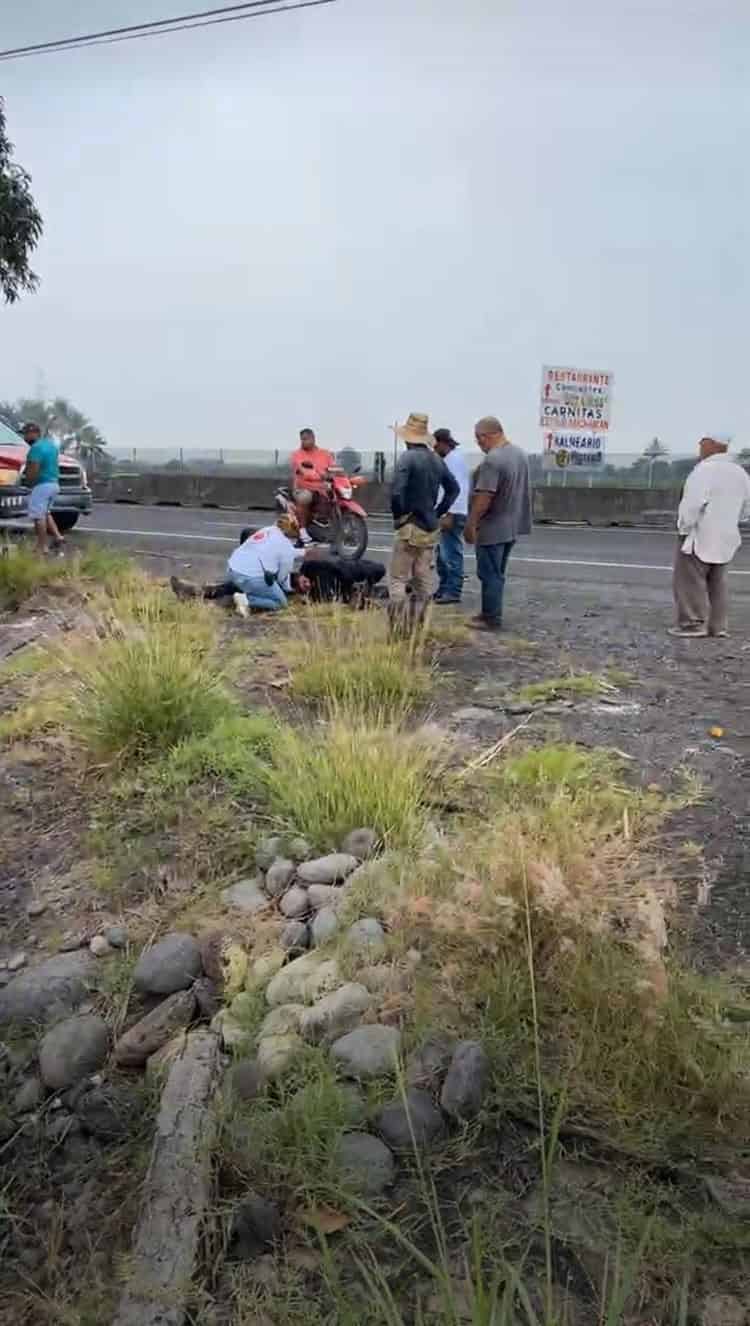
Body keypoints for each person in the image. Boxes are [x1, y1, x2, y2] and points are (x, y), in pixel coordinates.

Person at [670, 432, 750, 638]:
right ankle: (718, 626)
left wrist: (683, 527)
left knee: (690, 579)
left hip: (700, 533)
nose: (699, 446)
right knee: (718, 581)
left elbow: (693, 503)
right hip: (727, 535)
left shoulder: (704, 470)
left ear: (712, 444)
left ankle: (693, 623)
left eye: (702, 442)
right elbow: (746, 509)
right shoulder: (740, 473)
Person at [388, 412, 459, 624]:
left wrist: (399, 515)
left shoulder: (407, 458)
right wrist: (437, 512)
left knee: (398, 578)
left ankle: (397, 625)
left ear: (407, 438)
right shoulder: (437, 460)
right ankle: (419, 623)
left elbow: (396, 492)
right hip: (430, 528)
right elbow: (453, 489)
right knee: (423, 579)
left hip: (410, 526)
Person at [464, 416, 531, 632]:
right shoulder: (519, 454)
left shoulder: (493, 459)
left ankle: (491, 617)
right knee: (498, 572)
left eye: (478, 438)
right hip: (511, 525)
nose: (478, 443)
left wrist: (471, 524)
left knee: (489, 573)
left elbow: (485, 496)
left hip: (492, 527)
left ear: (486, 435)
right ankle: (490, 612)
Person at [432, 427, 469, 604]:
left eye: (435, 445)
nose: (434, 449)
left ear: (442, 443)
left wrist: (450, 513)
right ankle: (444, 588)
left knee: (451, 553)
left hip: (453, 513)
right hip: (449, 511)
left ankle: (453, 590)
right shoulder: (451, 459)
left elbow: (458, 489)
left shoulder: (453, 461)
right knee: (442, 554)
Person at [21, 422, 64, 555]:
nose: (25, 438)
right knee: (45, 512)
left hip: (42, 485)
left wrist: (28, 483)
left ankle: (42, 547)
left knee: (38, 516)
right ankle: (58, 537)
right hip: (54, 484)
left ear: (33, 434)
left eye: (26, 434)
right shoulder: (51, 446)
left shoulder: (36, 448)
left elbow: (34, 468)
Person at [290, 427, 334, 546]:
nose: (303, 442)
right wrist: (322, 476)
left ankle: (331, 532)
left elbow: (333, 469)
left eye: (306, 439)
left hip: (322, 488)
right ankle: (302, 530)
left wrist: (339, 475)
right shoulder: (297, 455)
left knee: (336, 497)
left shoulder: (325, 454)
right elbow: (305, 472)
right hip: (303, 488)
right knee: (305, 497)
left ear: (313, 438)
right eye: (302, 440)